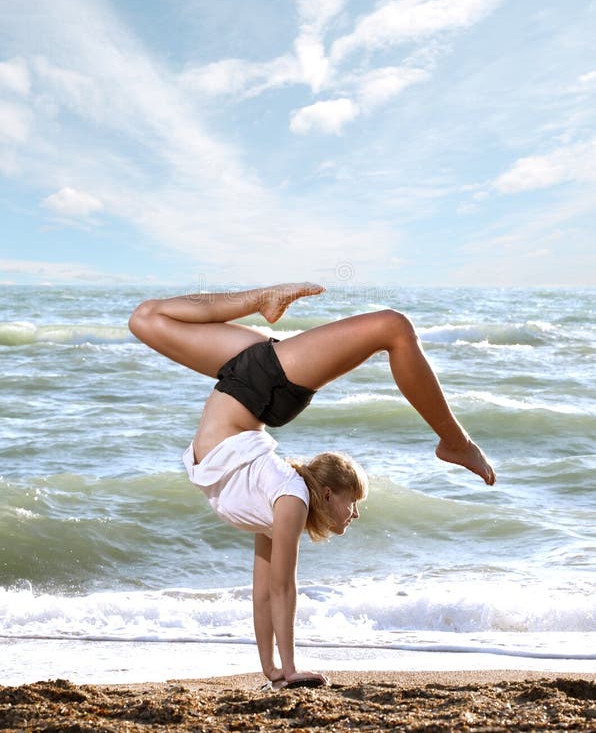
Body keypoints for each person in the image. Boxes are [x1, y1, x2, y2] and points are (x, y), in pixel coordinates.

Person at [129, 282, 495, 687]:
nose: (355, 513)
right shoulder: (291, 498)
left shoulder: (277, 499)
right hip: (258, 385)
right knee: (393, 326)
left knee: (146, 318)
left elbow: (265, 590)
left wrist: (275, 672)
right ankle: (456, 443)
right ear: (324, 493)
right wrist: (287, 670)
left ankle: (259, 301)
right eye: (352, 501)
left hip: (248, 390)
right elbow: (281, 588)